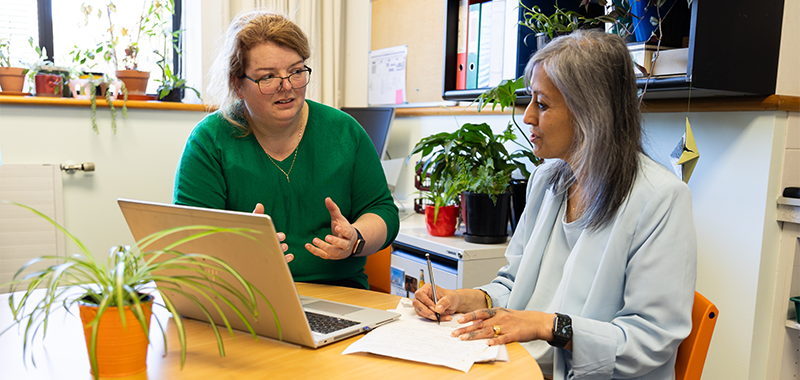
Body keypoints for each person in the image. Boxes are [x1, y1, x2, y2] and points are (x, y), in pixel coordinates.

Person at [413, 29, 697, 379]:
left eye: (542, 104)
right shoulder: (547, 181)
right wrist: (466, 300)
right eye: (530, 100)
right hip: (521, 366)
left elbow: (650, 341)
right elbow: (514, 285)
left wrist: (549, 326)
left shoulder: (660, 198)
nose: (528, 116)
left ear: (590, 112)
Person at [173, 10, 399, 290]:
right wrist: (238, 252)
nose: (288, 86)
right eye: (268, 77)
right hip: (245, 295)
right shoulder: (210, 140)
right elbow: (189, 241)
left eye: (296, 71)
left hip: (340, 292)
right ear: (237, 84)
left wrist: (355, 238)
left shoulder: (344, 132)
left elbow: (382, 210)